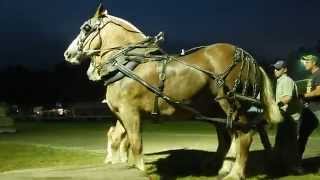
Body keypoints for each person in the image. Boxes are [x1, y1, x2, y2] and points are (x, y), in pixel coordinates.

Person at [272, 60, 304, 175]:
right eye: (275, 68)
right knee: (282, 142)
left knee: (290, 144)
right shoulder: (280, 81)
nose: (275, 70)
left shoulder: (286, 80)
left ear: (285, 69)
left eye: (278, 68)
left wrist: (274, 106)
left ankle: (296, 167)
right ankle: (281, 166)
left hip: (291, 118)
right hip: (285, 117)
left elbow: (287, 98)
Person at [299, 54, 320, 160]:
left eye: (307, 62)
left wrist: (304, 95)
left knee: (302, 134)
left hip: (317, 110)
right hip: (309, 110)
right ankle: (296, 161)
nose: (305, 65)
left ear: (314, 62)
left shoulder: (318, 74)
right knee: (302, 134)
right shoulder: (312, 76)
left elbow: (319, 91)